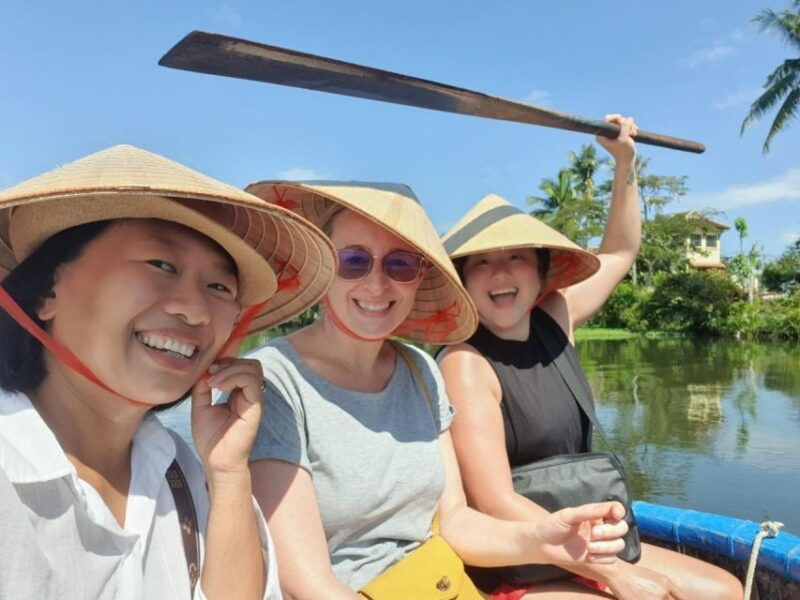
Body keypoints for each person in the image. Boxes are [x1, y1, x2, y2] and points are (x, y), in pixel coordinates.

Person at [245, 181, 633, 599]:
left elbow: (455, 522)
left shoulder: (420, 370)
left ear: (418, 280)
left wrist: (540, 538)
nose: (377, 285)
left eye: (400, 266)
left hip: (440, 582)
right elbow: (305, 582)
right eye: (354, 261)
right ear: (323, 267)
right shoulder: (276, 379)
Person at [0, 145, 335, 599]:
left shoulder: (179, 469)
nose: (195, 310)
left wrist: (229, 473)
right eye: (161, 265)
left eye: (219, 287)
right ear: (47, 292)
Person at [437, 116, 744, 599]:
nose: (499, 272)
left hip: (587, 536)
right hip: (521, 555)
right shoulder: (464, 362)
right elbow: (493, 501)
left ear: (541, 274)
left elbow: (620, 251)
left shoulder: (556, 317)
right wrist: (615, 573)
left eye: (515, 257)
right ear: (463, 281)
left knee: (724, 591)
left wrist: (624, 161)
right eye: (480, 262)